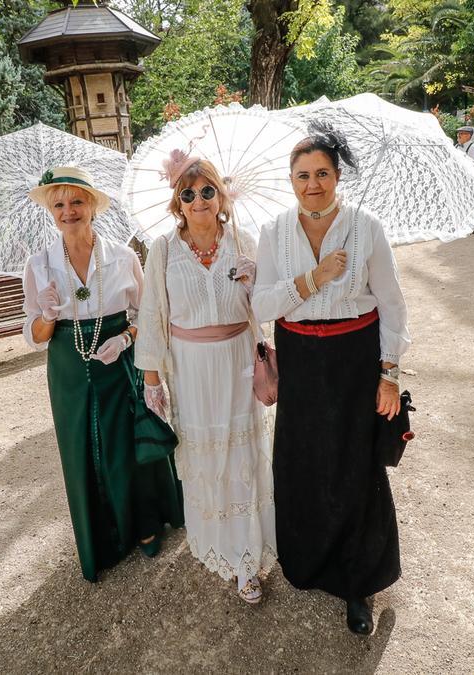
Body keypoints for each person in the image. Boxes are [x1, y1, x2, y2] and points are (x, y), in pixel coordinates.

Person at [252, 125, 410, 635]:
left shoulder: (367, 227)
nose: (312, 183)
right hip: (298, 354)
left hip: (353, 354)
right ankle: (309, 561)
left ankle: (357, 581)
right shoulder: (274, 231)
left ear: (337, 176)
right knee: (302, 460)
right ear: (290, 180)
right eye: (302, 175)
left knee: (353, 463)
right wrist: (313, 280)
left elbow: (391, 303)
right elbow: (262, 304)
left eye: (322, 173)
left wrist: (388, 374)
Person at [22, 166, 183, 583]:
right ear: (51, 212)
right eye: (59, 204)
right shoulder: (38, 265)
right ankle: (100, 538)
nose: (68, 211)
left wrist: (127, 339)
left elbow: (146, 315)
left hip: (118, 359)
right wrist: (47, 313)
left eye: (77, 201)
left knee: (125, 444)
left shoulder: (124, 257)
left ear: (92, 206)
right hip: (67, 366)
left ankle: (145, 524)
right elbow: (35, 336)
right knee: (80, 447)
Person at [134, 153, 276, 604]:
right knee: (203, 454)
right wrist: (152, 378)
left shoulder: (243, 239)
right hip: (190, 367)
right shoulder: (163, 249)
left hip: (236, 362)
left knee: (241, 453)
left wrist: (256, 282)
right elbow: (153, 314)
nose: (198, 200)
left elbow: (267, 307)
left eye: (207, 191)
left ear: (222, 194)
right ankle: (213, 536)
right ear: (178, 201)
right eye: (188, 193)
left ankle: (246, 555)